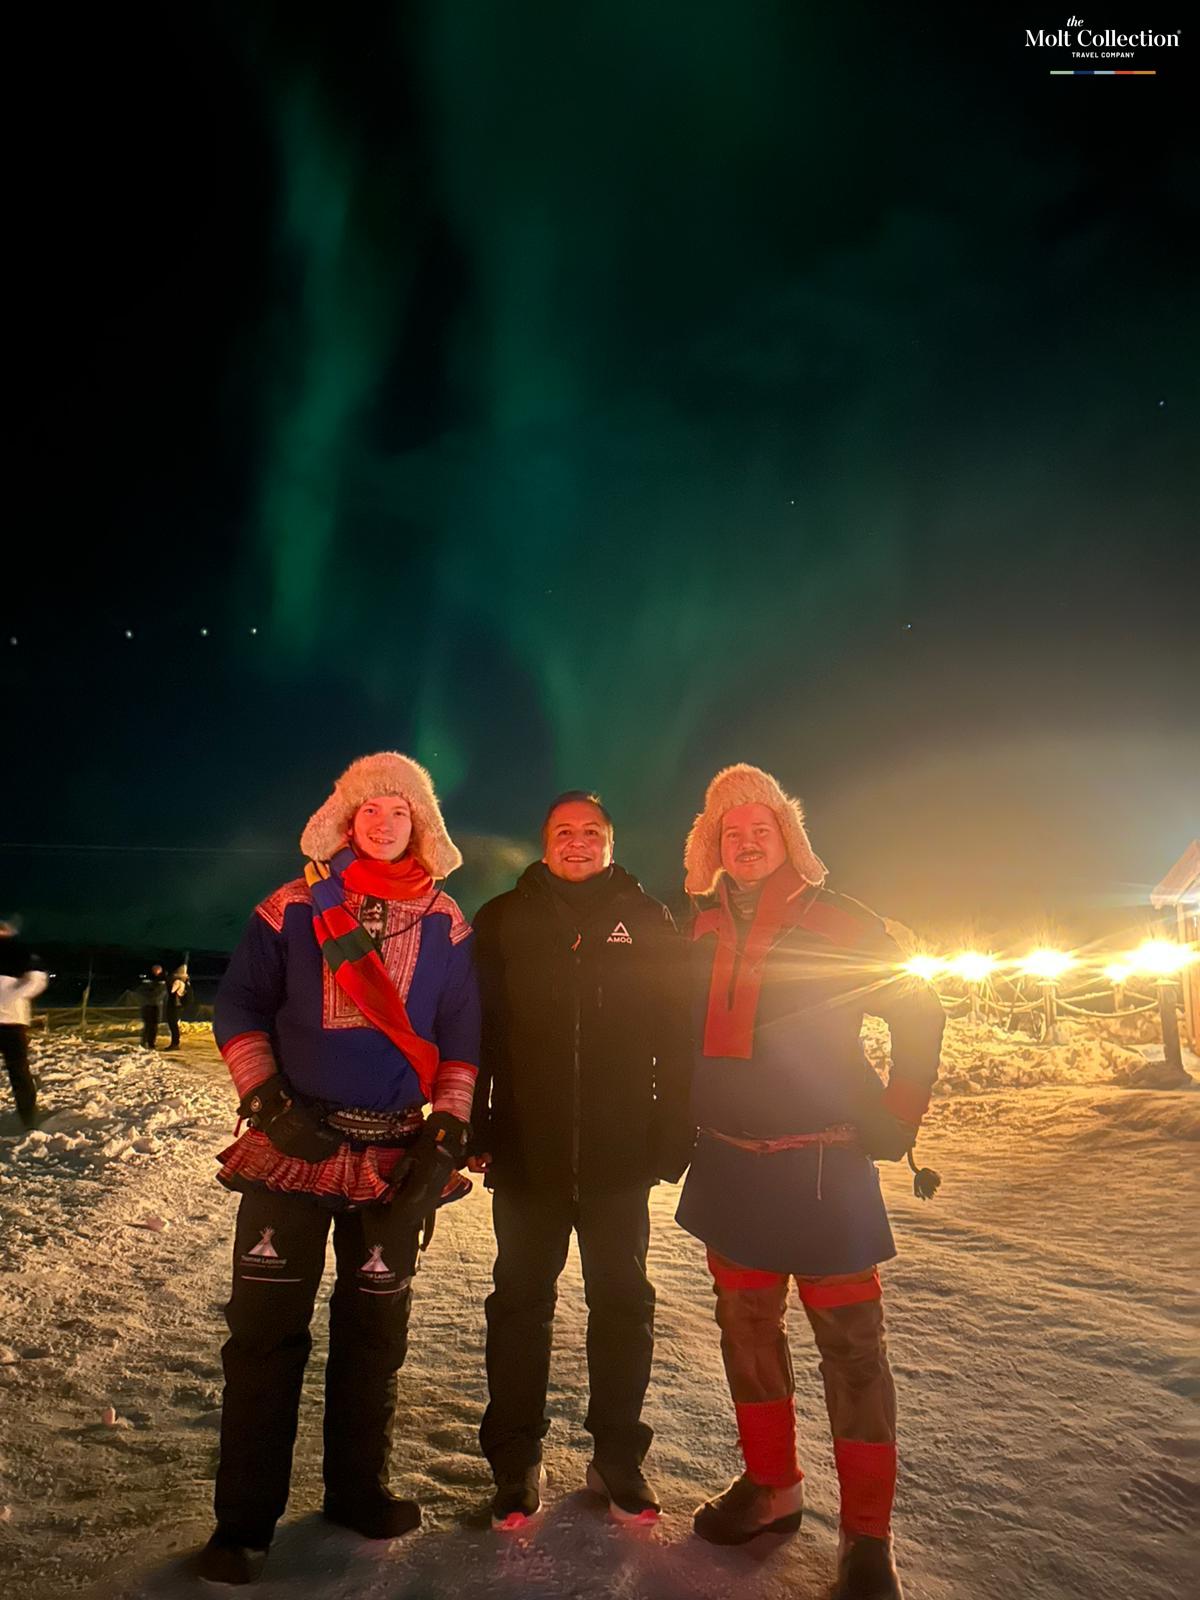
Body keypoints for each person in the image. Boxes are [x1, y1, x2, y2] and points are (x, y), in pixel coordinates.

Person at [198, 753, 480, 1585]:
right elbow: (239, 1002)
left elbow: (463, 1031)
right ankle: (243, 1524)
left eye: (400, 811)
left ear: (421, 825)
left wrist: (447, 1129)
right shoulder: (292, 905)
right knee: (263, 1335)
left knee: (375, 1336)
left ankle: (358, 1492)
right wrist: (265, 1097)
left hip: (393, 1155)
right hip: (294, 1148)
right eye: (369, 809)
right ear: (345, 820)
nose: (384, 823)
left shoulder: (446, 921)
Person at [677, 765, 944, 1600]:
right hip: (730, 1163)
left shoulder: (840, 919)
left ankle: (868, 1537)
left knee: (854, 1352)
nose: (746, 844)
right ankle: (772, 1489)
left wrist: (900, 1112)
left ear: (789, 839)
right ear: (712, 847)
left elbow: (920, 1009)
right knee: (747, 1334)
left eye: (761, 830)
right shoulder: (698, 927)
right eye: (731, 833)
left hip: (826, 1166)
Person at [471, 790, 693, 1529]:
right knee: (519, 1305)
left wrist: (673, 1128)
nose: (577, 842)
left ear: (609, 842)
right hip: (525, 1154)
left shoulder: (648, 918)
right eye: (564, 831)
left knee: (623, 1304)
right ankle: (515, 1461)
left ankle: (618, 1458)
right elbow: (478, 1032)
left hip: (618, 1158)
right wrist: (474, 1123)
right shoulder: (504, 919)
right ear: (545, 841)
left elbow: (678, 1034)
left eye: (591, 831)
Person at [0, 917, 49, 1127]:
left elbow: (37, 980)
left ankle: (29, 1118)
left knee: (18, 1071)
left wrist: (9, 996)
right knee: (19, 1071)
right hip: (11, 1019)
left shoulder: (19, 952)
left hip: (12, 1022)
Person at [136, 963, 166, 1049]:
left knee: (154, 1025)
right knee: (147, 1025)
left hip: (156, 1006)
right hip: (147, 1005)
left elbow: (162, 993)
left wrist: (153, 993)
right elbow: (141, 990)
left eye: (158, 970)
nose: (156, 971)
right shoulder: (146, 979)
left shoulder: (163, 980)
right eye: (155, 970)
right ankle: (144, 1041)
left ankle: (151, 1043)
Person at [165, 962, 191, 1050]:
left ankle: (175, 1043)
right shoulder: (185, 983)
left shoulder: (177, 982)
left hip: (174, 1005)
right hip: (179, 1005)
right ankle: (175, 1042)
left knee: (173, 1025)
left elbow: (172, 991)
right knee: (174, 1024)